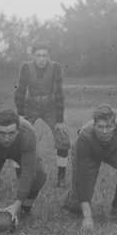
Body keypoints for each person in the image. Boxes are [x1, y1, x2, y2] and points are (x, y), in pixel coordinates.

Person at [62, 104, 117, 229]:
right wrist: (87, 217)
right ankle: (71, 202)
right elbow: (82, 178)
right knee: (76, 206)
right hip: (89, 152)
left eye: (108, 126)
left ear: (114, 125)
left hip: (112, 148)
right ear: (94, 125)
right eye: (100, 127)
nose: (104, 131)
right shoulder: (84, 139)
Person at [0, 109, 47, 225]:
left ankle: (24, 208)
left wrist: (16, 205)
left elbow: (28, 173)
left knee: (38, 174)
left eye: (11, 133)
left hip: (19, 151)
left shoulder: (27, 133)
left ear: (18, 131)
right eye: (2, 133)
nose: (6, 138)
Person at [14, 44, 70, 186]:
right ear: (33, 56)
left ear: (49, 57)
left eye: (44, 55)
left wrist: (60, 120)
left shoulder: (55, 67)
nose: (41, 59)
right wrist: (20, 114)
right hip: (31, 104)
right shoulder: (26, 67)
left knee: (62, 136)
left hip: (50, 105)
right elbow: (20, 90)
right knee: (18, 135)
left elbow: (59, 92)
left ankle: (61, 177)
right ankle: (19, 175)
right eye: (38, 55)